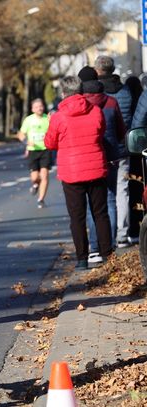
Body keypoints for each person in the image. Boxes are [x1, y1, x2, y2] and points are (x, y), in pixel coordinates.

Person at [44, 75, 112, 269]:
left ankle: (82, 259)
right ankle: (108, 254)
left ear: (64, 93)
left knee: (77, 217)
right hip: (96, 167)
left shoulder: (58, 117)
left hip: (71, 172)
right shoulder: (97, 111)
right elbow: (100, 132)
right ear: (80, 91)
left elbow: (50, 143)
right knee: (100, 213)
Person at [78, 66, 125, 263]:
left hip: (88, 156)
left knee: (92, 205)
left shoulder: (81, 104)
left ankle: (95, 248)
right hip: (111, 156)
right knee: (111, 201)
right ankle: (110, 245)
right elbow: (121, 130)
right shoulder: (112, 102)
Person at [95, 56, 134, 248]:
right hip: (123, 146)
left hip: (103, 147)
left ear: (98, 69)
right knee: (122, 190)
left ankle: (106, 235)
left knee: (105, 193)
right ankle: (122, 232)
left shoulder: (97, 94)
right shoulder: (125, 90)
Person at [17, 98, 50, 208]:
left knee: (44, 175)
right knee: (35, 177)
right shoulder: (29, 120)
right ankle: (35, 184)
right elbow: (21, 134)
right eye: (36, 107)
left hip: (45, 150)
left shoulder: (47, 119)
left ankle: (41, 199)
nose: (39, 108)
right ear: (32, 109)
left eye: (41, 106)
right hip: (33, 151)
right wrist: (27, 142)